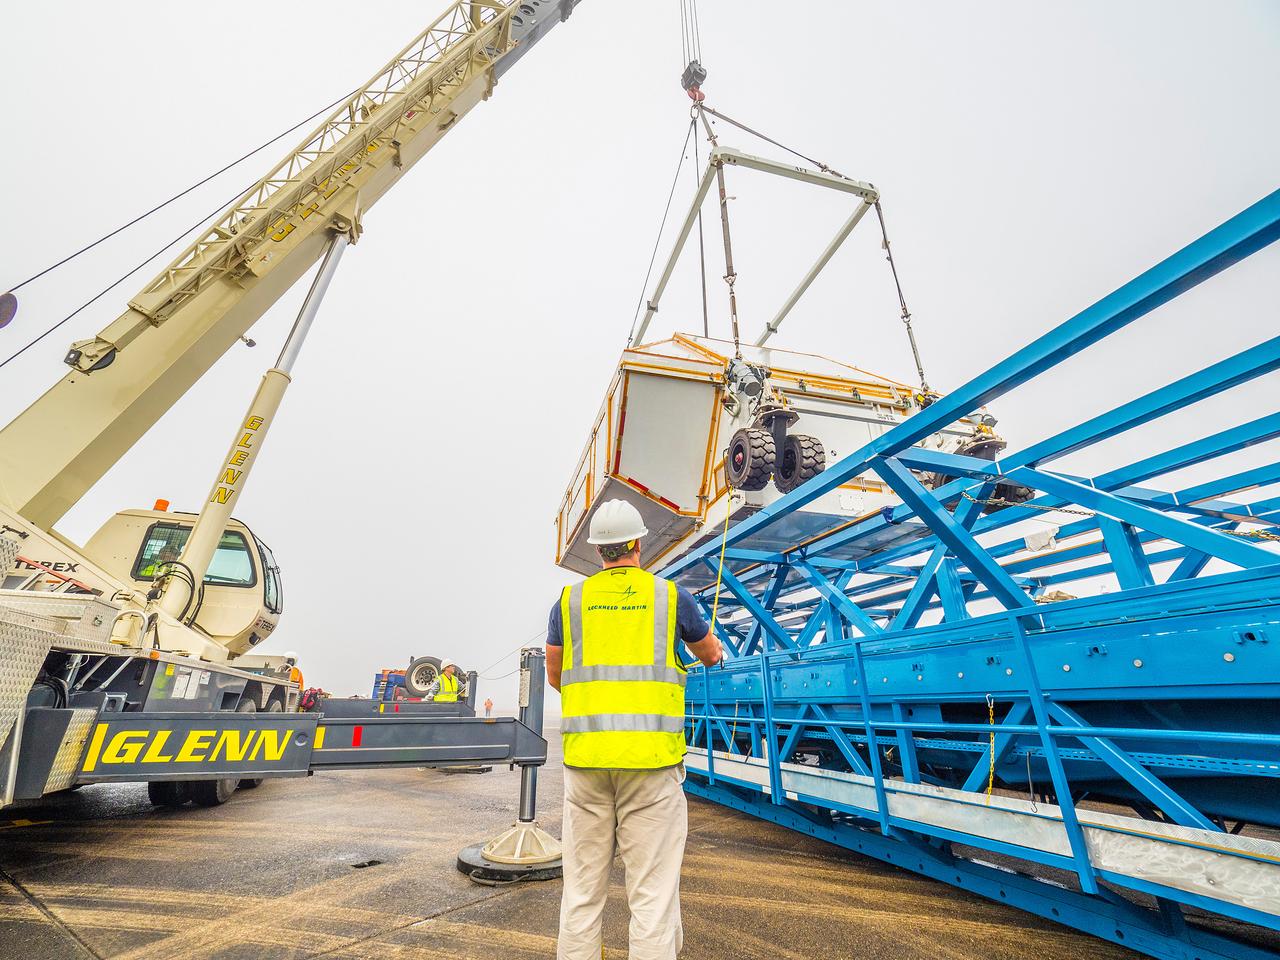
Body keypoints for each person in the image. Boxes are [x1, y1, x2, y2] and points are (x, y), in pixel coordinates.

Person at [545, 499, 723, 960]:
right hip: (652, 768)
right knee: (652, 898)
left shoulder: (568, 602)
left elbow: (555, 674)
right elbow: (709, 655)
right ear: (639, 544)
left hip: (586, 765)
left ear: (598, 551)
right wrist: (714, 650)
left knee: (581, 894)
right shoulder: (670, 597)